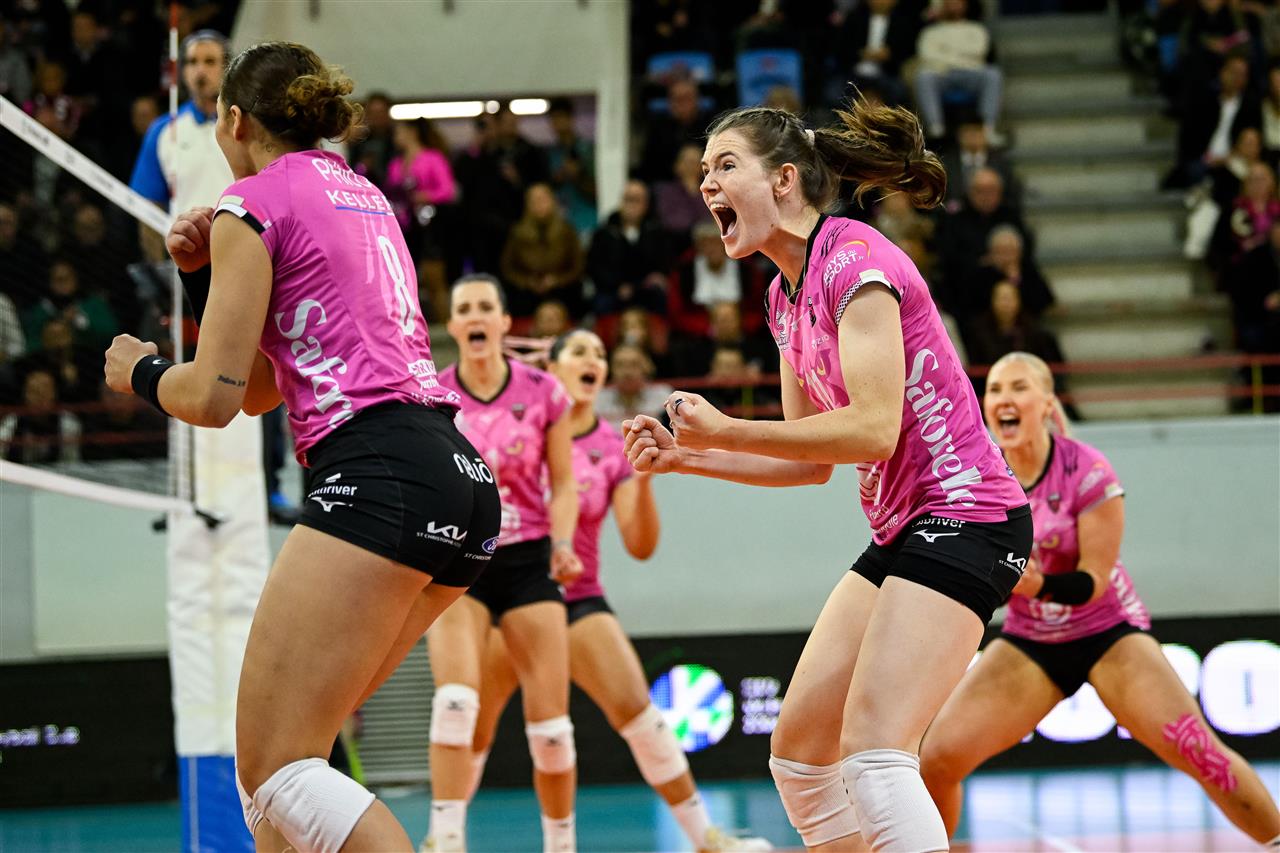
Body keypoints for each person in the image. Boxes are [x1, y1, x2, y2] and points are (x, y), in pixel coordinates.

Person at [104, 42, 500, 853]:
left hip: (376, 473)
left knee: (274, 768)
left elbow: (214, 399)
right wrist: (202, 279)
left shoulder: (249, 202)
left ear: (234, 120)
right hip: (457, 476)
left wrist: (140, 370)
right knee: (288, 782)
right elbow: (260, 385)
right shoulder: (365, 194)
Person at [623, 100, 1031, 852]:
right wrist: (689, 456)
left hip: (968, 515)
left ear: (783, 180)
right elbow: (813, 461)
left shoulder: (855, 261)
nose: (705, 182)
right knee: (801, 759)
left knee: (875, 753)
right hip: (905, 528)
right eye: (704, 169)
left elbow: (873, 429)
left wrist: (726, 428)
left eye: (725, 165)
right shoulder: (783, 296)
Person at [919, 352, 1280, 848]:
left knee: (1201, 753)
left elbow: (1093, 580)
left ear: (1047, 403)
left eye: (1019, 387)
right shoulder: (978, 478)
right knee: (936, 759)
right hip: (1031, 642)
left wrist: (1034, 585)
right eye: (996, 388)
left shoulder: (1085, 470)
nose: (1004, 398)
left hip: (1108, 633)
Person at [462, 329, 772, 853]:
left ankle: (707, 838)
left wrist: (646, 480)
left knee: (638, 712)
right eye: (579, 351)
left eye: (599, 354)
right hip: (508, 597)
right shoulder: (520, 427)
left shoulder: (612, 445)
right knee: (470, 725)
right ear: (551, 370)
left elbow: (640, 544)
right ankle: (444, 837)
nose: (594, 360)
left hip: (576, 598)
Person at [427, 274, 582, 853]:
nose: (475, 317)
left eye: (484, 307)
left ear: (503, 322)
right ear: (453, 325)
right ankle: (445, 840)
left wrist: (563, 543)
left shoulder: (544, 391)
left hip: (527, 561)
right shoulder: (433, 395)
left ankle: (560, 844)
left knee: (552, 732)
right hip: (457, 562)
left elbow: (562, 483)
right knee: (455, 704)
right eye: (464, 308)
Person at [388, 117, 458, 323]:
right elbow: (391, 191)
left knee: (433, 277)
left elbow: (448, 190)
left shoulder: (432, 157)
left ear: (412, 132)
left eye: (399, 132)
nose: (395, 138)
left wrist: (425, 195)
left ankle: (446, 325)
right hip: (405, 227)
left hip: (430, 226)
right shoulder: (396, 163)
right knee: (405, 280)